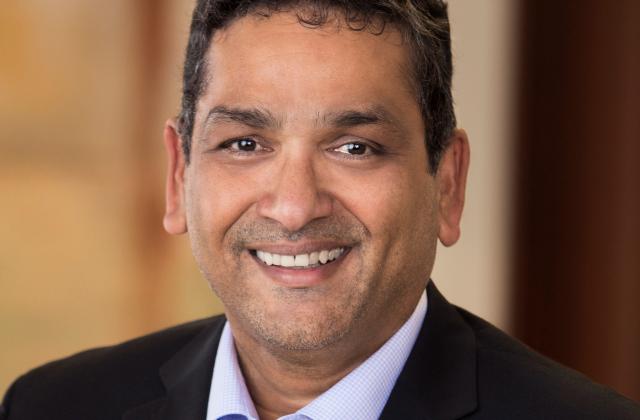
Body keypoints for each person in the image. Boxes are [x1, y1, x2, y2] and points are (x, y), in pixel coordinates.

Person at [2, 1, 639, 419]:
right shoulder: (52, 407)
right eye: (245, 144)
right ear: (179, 175)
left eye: (355, 147)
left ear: (448, 184)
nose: (294, 206)